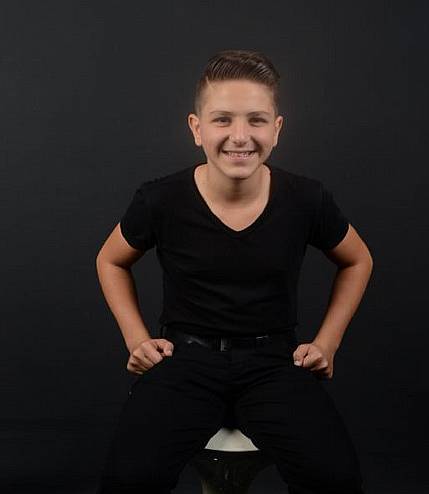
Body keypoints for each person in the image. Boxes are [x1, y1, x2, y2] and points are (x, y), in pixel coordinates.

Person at [95, 49, 373, 493]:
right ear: (197, 128)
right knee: (130, 478)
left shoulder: (306, 198)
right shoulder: (161, 199)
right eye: (222, 120)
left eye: (256, 120)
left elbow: (358, 259)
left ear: (276, 129)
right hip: (185, 360)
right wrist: (135, 338)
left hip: (273, 363)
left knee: (335, 478)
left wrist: (327, 344)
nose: (240, 136)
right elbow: (110, 259)